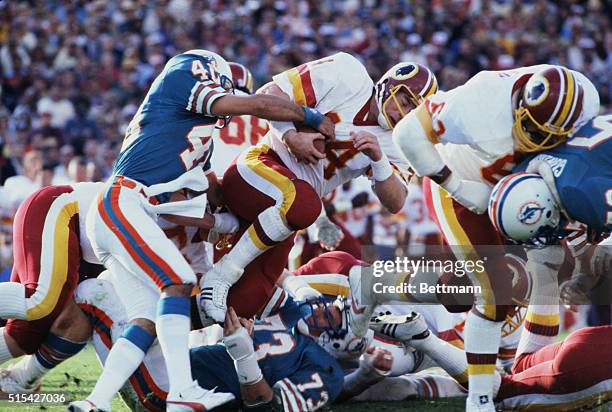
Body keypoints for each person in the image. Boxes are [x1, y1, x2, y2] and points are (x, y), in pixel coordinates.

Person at [85, 49, 334, 411]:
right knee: (179, 282)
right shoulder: (182, 80)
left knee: (148, 319)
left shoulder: (198, 137)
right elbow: (258, 106)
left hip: (132, 210)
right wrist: (308, 115)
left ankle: (96, 402)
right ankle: (184, 392)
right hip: (124, 203)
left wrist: (233, 218)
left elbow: (204, 198)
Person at [392, 64, 600, 411]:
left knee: (551, 270)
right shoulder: (482, 99)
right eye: (528, 124)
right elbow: (406, 134)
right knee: (476, 296)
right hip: (460, 184)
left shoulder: (585, 108)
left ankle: (523, 373)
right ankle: (480, 399)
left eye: (542, 132)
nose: (529, 134)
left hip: (523, 189)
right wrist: (456, 186)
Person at [201, 53, 436, 327]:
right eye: (406, 101)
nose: (404, 113)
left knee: (248, 303)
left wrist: (379, 160)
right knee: (305, 206)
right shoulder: (349, 74)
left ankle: (168, 334)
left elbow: (396, 202)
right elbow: (269, 93)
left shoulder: (397, 141)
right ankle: (222, 274)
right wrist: (291, 136)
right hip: (257, 170)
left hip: (285, 215)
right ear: (388, 84)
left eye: (413, 110)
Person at [70, 275, 344, 412]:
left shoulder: (325, 370)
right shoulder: (293, 315)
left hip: (166, 393)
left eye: (336, 312)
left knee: (93, 292)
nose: (327, 307)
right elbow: (274, 274)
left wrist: (244, 356)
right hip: (174, 369)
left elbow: (267, 408)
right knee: (116, 282)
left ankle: (33, 379)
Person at [0, 182, 105, 392]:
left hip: (95, 247)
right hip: (63, 211)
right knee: (38, 301)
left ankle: (19, 380)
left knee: (27, 335)